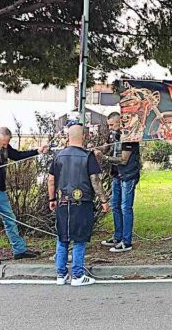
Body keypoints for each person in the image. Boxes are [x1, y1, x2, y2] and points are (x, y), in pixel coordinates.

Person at [48, 125, 109, 286]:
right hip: (82, 203)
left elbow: (51, 179)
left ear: (68, 136)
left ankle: (61, 275)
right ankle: (78, 275)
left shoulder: (58, 155)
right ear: (83, 136)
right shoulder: (87, 156)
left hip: (62, 202)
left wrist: (51, 199)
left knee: (62, 238)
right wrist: (103, 200)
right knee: (79, 239)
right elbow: (95, 181)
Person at [0, 127, 48, 265]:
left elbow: (17, 155)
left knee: (11, 218)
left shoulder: (4, 148)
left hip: (0, 191)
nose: (5, 147)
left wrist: (37, 151)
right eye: (4, 144)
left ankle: (19, 250)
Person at [95, 112, 140, 253]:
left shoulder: (129, 136)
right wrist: (96, 149)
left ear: (120, 122)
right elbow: (106, 147)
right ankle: (117, 236)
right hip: (116, 174)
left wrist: (104, 158)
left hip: (128, 174)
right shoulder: (112, 134)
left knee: (125, 207)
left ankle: (126, 241)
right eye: (108, 125)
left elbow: (124, 159)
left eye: (112, 125)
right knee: (115, 205)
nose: (110, 128)